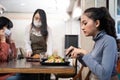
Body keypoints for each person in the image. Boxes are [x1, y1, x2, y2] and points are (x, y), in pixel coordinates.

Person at [66, 7, 119, 80]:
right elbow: (89, 63)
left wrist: (84, 52)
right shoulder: (98, 41)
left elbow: (104, 76)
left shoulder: (109, 41)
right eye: (81, 24)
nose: (82, 27)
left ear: (97, 23)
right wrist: (79, 55)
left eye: (85, 23)